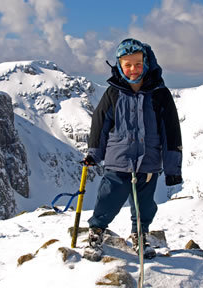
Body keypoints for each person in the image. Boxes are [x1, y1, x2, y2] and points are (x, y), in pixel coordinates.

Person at [81, 38, 183, 261]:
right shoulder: (113, 93)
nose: (133, 69)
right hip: (118, 160)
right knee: (108, 198)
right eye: (127, 65)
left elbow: (171, 131)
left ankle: (140, 234)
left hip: (148, 161)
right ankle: (96, 231)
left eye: (138, 63)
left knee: (145, 204)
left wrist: (173, 168)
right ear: (119, 65)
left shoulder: (159, 94)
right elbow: (100, 125)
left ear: (146, 62)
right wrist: (94, 153)